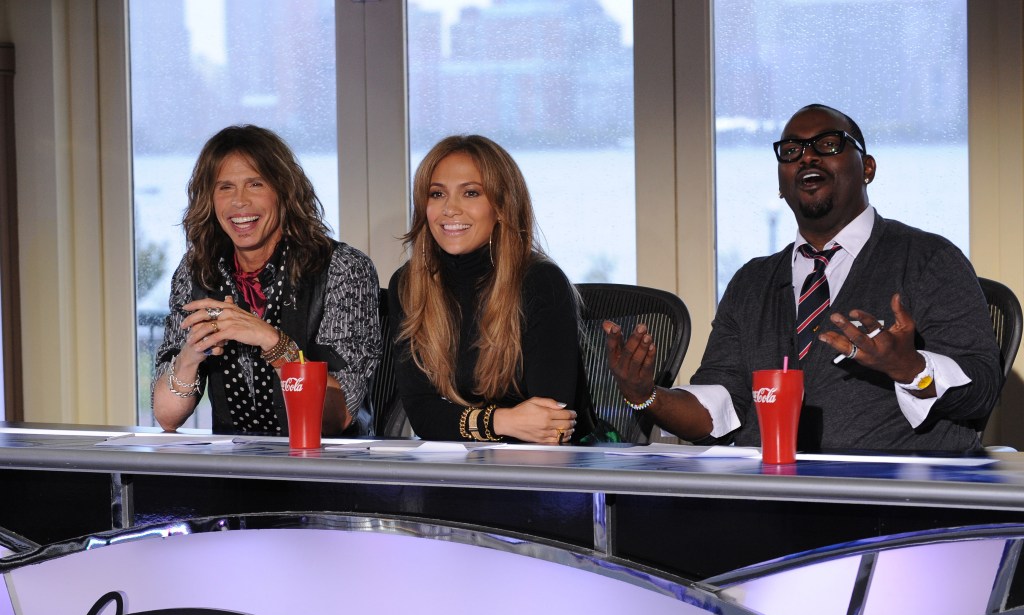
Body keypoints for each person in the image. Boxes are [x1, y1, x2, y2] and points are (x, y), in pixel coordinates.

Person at [604, 104, 1002, 453]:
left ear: (867, 168)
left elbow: (983, 390)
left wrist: (911, 368)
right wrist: (647, 396)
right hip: (769, 502)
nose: (807, 158)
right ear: (781, 184)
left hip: (890, 504)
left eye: (828, 144)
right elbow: (721, 403)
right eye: (792, 151)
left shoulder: (929, 259)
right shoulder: (752, 281)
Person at [153, 124, 380, 436]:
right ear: (210, 199)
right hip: (235, 470)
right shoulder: (198, 270)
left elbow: (334, 418)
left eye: (255, 184)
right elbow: (167, 417)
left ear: (283, 193)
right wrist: (190, 356)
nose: (240, 202)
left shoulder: (343, 268)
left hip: (326, 471)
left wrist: (273, 342)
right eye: (225, 187)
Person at [388, 134, 581, 444]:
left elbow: (549, 424)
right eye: (436, 194)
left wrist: (466, 423)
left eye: (471, 193)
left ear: (502, 205)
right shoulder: (409, 285)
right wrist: (503, 420)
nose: (449, 209)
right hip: (456, 469)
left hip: (542, 472)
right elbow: (423, 413)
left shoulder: (541, 282)